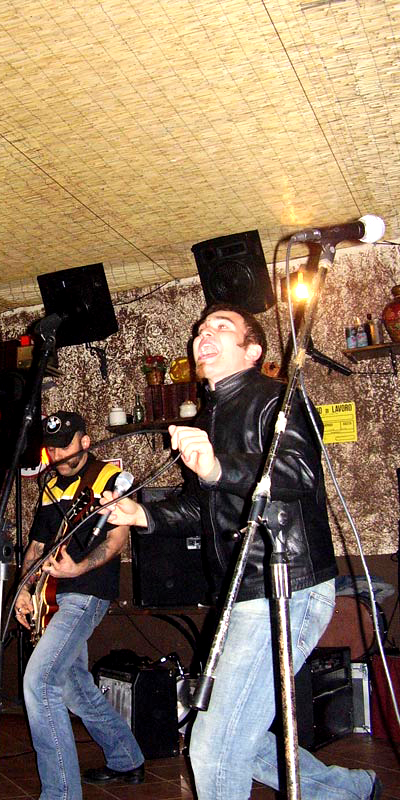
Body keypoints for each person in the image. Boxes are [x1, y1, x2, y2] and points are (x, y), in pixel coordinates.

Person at [99, 304, 382, 800]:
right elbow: (199, 506)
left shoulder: (278, 399)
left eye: (221, 328)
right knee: (236, 736)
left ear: (252, 351)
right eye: (200, 329)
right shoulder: (210, 415)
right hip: (239, 594)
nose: (203, 334)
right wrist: (142, 515)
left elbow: (298, 473)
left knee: (214, 747)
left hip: (284, 586)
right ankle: (352, 791)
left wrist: (216, 467)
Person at [14, 410, 144, 800]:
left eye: (64, 446)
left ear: (85, 441)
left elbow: (117, 540)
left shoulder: (109, 478)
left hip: (86, 593)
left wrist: (79, 567)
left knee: (39, 682)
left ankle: (62, 794)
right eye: (51, 447)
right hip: (51, 596)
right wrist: (23, 588)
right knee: (73, 687)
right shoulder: (51, 486)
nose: (57, 455)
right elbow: (37, 546)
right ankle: (126, 757)